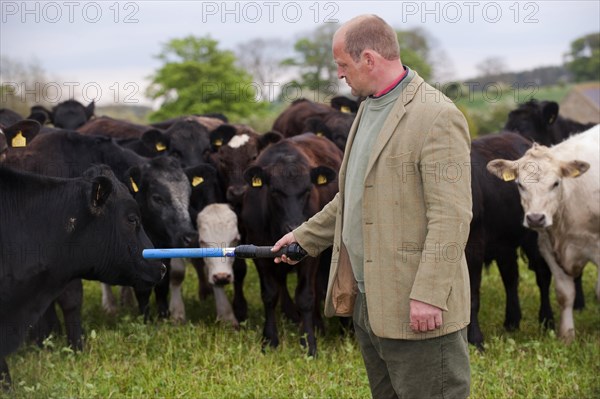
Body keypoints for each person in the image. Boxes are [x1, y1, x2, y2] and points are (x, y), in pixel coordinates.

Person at [272, 14, 473, 399]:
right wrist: (303, 237)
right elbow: (352, 198)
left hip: (417, 308)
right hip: (370, 303)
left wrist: (429, 294)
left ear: (368, 58)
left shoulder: (437, 115)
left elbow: (452, 216)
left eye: (343, 65)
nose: (340, 75)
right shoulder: (367, 108)